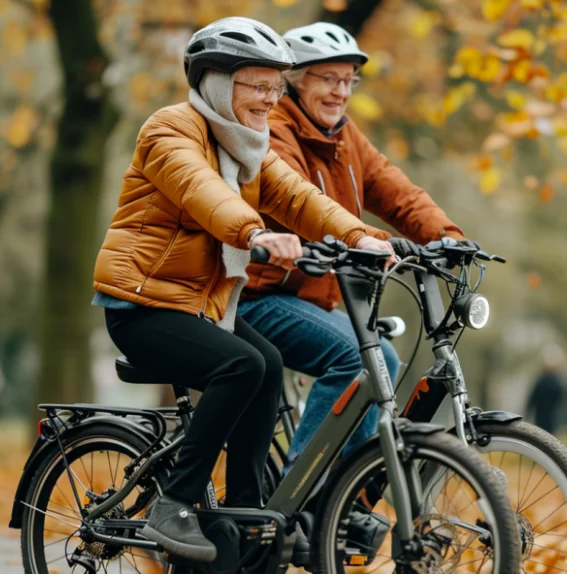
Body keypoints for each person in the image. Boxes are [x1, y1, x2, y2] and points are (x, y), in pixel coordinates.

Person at [90, 17, 394, 563]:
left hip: (203, 305)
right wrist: (253, 232)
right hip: (142, 302)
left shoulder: (248, 147)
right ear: (214, 82)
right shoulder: (169, 130)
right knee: (242, 366)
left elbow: (301, 199)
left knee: (269, 363)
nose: (271, 100)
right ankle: (174, 504)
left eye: (276, 88)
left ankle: (249, 512)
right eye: (258, 86)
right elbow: (200, 190)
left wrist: (365, 237)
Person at [239, 22, 468, 470]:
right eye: (328, 78)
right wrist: (374, 242)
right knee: (365, 359)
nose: (341, 92)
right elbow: (306, 207)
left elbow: (395, 191)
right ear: (295, 80)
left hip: (310, 297)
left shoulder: (344, 137)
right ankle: (306, 497)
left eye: (348, 81)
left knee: (378, 360)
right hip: (254, 296)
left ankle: (347, 498)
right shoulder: (273, 133)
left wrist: (447, 236)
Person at [525, 343, 567, 435]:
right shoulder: (556, 381)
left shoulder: (543, 380)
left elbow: (531, 401)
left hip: (547, 419)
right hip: (548, 419)